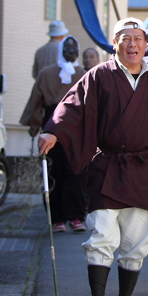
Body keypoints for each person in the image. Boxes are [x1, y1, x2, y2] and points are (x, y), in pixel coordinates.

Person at [38, 19, 148, 296]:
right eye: (125, 38)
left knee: (136, 240)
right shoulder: (98, 76)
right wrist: (53, 131)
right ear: (114, 43)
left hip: (142, 169)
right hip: (106, 165)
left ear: (146, 44)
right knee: (101, 234)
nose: (132, 45)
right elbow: (72, 106)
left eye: (138, 39)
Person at [20, 36, 87, 233]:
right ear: (60, 51)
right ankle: (56, 218)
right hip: (52, 122)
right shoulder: (46, 73)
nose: (70, 53)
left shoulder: (85, 74)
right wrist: (34, 125)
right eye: (66, 49)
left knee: (77, 172)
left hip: (77, 125)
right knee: (52, 171)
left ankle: (76, 216)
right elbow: (36, 102)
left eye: (73, 50)